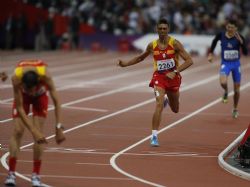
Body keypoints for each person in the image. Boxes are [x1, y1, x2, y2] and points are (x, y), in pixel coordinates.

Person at [117, 18, 193, 146]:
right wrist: (125, 64)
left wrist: (175, 71)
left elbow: (189, 61)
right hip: (159, 77)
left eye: (165, 28)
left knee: (175, 109)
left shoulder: (175, 44)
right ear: (157, 29)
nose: (162, 31)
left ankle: (170, 100)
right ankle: (154, 137)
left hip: (173, 79)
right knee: (159, 104)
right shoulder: (152, 45)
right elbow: (140, 57)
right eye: (160, 28)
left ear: (168, 29)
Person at [5, 59, 66, 187]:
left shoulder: (46, 76)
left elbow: (57, 102)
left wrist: (58, 127)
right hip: (23, 98)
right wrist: (33, 131)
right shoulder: (16, 78)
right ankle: (11, 173)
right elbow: (20, 108)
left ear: (38, 82)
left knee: (39, 135)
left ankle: (36, 175)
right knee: (17, 131)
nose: (31, 93)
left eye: (33, 90)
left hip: (41, 97)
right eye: (29, 90)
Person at [207, 20, 248, 118]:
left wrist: (241, 42)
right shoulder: (221, 35)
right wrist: (211, 53)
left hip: (236, 65)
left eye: (232, 27)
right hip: (225, 63)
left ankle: (235, 108)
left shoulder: (239, 37)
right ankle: (226, 91)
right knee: (223, 82)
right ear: (226, 27)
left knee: (237, 90)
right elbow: (214, 42)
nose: (230, 29)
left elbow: (246, 53)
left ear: (236, 29)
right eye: (228, 27)